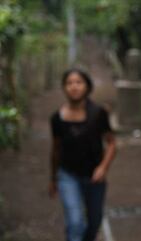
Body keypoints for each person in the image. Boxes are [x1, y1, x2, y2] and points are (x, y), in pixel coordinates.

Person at [49, 68, 116, 241]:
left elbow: (111, 144)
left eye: (78, 82)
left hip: (94, 177)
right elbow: (55, 149)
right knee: (75, 222)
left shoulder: (98, 114)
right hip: (67, 175)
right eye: (69, 83)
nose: (74, 87)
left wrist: (103, 168)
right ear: (64, 88)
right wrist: (53, 178)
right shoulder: (57, 118)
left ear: (87, 86)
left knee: (94, 221)